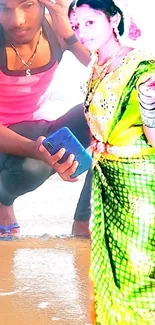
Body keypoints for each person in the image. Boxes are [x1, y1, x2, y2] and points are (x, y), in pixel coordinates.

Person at [69, 0, 155, 324]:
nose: (82, 32)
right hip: (107, 184)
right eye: (76, 26)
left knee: (140, 271)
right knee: (109, 270)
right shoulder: (95, 65)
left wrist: (150, 108)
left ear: (113, 18)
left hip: (141, 188)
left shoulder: (144, 66)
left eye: (90, 22)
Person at [0, 0, 92, 239]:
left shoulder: (58, 30)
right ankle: (3, 202)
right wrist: (36, 149)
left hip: (36, 128)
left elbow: (118, 73)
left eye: (27, 5)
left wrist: (69, 34)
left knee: (114, 114)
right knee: (37, 166)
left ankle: (86, 220)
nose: (17, 20)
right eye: (4, 7)